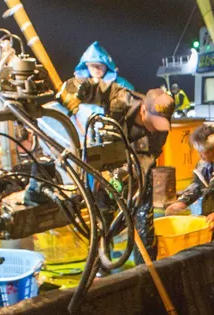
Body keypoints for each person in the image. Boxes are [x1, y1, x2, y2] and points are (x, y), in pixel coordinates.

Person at [59, 81, 175, 262]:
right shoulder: (120, 98)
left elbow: (147, 160)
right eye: (154, 122)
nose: (156, 128)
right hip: (107, 162)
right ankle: (100, 265)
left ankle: (145, 268)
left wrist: (127, 179)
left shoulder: (161, 129)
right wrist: (76, 92)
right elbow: (90, 85)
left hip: (137, 170)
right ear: (144, 110)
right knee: (102, 217)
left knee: (144, 218)